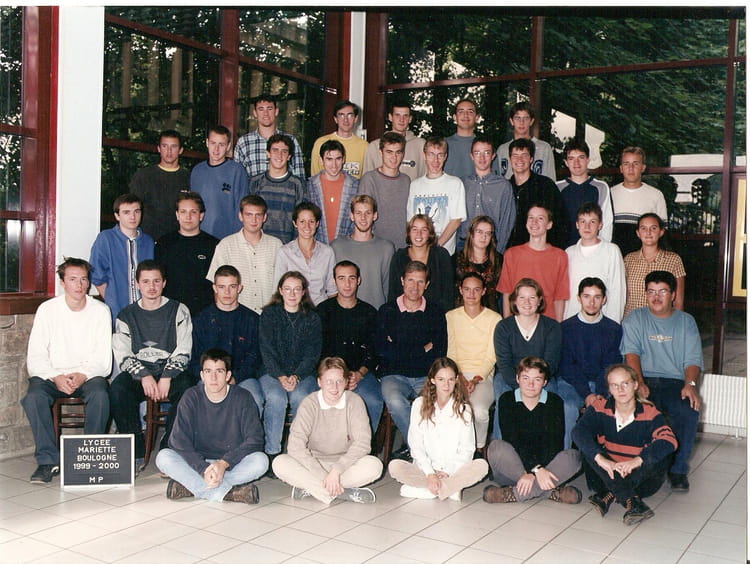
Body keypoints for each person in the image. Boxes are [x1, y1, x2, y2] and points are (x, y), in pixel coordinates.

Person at [21, 258, 112, 484]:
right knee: (33, 397)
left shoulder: (100, 311)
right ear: (62, 282)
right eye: (72, 279)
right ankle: (47, 462)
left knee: (100, 394)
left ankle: (90, 458)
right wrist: (55, 376)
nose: (79, 285)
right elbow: (36, 356)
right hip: (53, 375)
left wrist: (83, 374)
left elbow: (103, 360)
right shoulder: (47, 310)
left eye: (83, 279)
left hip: (87, 375)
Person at [621, 270, 702, 492]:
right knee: (634, 408)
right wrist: (639, 383)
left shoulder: (686, 322)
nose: (656, 297)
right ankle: (635, 465)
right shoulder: (635, 318)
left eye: (663, 292)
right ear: (645, 294)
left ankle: (678, 471)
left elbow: (693, 360)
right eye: (651, 292)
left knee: (688, 409)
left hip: (675, 383)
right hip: (642, 378)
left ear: (673, 295)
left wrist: (690, 385)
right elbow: (631, 355)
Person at [110, 260, 193, 472]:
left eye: (156, 281)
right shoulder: (126, 315)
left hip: (170, 371)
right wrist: (144, 375)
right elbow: (123, 353)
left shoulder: (178, 310)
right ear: (137, 284)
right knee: (118, 388)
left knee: (188, 388)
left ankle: (170, 449)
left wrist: (167, 375)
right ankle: (135, 450)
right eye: (146, 281)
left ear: (164, 283)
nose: (152, 287)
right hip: (141, 371)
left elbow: (184, 348)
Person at [156, 348, 268, 504]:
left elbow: (255, 439)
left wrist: (223, 464)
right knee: (163, 457)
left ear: (228, 375)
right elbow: (178, 440)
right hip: (197, 463)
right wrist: (203, 469)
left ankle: (192, 487)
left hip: (230, 464)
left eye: (219, 371)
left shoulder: (243, 397)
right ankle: (228, 493)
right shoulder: (191, 396)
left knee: (261, 461)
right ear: (202, 375)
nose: (213, 378)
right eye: (208, 371)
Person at [572, 364, 677, 525]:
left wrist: (637, 461)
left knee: (662, 452)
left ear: (635, 385)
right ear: (609, 389)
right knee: (588, 448)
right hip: (605, 474)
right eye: (614, 385)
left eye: (625, 384)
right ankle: (633, 502)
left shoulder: (650, 412)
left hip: (640, 480)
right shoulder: (599, 407)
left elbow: (670, 440)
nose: (620, 390)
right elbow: (578, 432)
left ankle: (609, 494)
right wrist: (601, 459)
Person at [273, 357, 383, 504]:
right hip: (313, 463)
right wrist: (324, 476)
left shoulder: (355, 402)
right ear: (319, 382)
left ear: (346, 382)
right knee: (279, 463)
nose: (334, 387)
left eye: (339, 381)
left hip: (345, 465)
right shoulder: (309, 404)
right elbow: (295, 446)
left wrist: (336, 471)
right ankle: (339, 491)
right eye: (329, 381)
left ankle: (313, 488)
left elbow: (362, 443)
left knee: (374, 466)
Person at [483, 356, 582, 504]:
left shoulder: (554, 402)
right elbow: (512, 440)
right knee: (496, 448)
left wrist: (537, 472)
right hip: (514, 470)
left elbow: (554, 444)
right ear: (517, 379)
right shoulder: (507, 400)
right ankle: (549, 492)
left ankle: (511, 494)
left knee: (574, 457)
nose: (530, 384)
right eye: (525, 378)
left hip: (544, 470)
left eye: (537, 379)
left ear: (545, 382)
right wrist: (534, 470)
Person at [388, 357, 489, 500]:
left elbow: (467, 449)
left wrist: (447, 472)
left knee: (481, 466)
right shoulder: (419, 404)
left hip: (453, 471)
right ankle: (447, 489)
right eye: (441, 379)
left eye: (451, 380)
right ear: (432, 380)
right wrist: (430, 473)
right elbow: (416, 444)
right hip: (425, 470)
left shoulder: (464, 409)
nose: (446, 385)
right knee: (395, 466)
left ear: (456, 380)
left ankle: (431, 489)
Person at [377, 261, 447, 460]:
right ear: (402, 281)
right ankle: (421, 448)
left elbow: (439, 350)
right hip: (393, 375)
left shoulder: (435, 312)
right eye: (410, 280)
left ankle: (417, 449)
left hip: (425, 375)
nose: (414, 287)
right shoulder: (387, 310)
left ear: (427, 284)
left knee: (433, 405)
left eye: (420, 281)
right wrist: (422, 348)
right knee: (394, 400)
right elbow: (382, 350)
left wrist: (398, 347)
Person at [258, 271, 322, 458]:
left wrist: (296, 376)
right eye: (287, 289)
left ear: (303, 292)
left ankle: (297, 452)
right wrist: (280, 376)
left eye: (297, 289)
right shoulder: (269, 314)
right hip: (271, 372)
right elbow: (266, 349)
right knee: (276, 398)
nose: (292, 294)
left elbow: (312, 354)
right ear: (280, 291)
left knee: (301, 397)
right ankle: (272, 452)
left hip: (303, 373)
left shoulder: (312, 318)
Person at [317, 261, 384, 433]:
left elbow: (374, 350)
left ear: (358, 280)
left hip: (360, 373)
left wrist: (360, 373)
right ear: (334, 281)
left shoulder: (369, 312)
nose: (347, 284)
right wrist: (337, 376)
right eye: (341, 278)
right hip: (329, 374)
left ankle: (364, 446)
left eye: (351, 278)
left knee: (373, 400)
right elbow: (317, 350)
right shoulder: (323, 311)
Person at [558, 277, 623, 449]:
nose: (592, 302)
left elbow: (610, 366)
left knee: (613, 406)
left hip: (602, 384)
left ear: (604, 299)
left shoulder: (613, 329)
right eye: (586, 296)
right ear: (578, 298)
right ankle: (565, 455)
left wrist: (599, 394)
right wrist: (587, 394)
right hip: (571, 383)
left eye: (597, 297)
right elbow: (567, 366)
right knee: (568, 407)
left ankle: (605, 456)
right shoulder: (565, 328)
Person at [190, 265, 263, 413]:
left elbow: (255, 357)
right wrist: (213, 377)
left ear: (239, 288)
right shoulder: (201, 319)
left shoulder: (252, 319)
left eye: (232, 286)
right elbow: (194, 358)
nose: (227, 292)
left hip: (242, 378)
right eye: (222, 287)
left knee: (255, 399)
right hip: (210, 378)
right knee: (202, 400)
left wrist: (234, 377)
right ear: (214, 288)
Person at [493, 278, 562, 423]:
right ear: (514, 300)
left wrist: (534, 383)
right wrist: (522, 386)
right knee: (504, 402)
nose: (527, 303)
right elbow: (504, 364)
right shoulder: (503, 327)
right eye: (522, 298)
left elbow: (551, 364)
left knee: (552, 405)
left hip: (541, 379)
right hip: (510, 377)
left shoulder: (552, 327)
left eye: (532, 298)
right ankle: (501, 438)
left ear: (539, 301)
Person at [446, 273, 502, 449]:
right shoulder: (450, 317)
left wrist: (475, 380)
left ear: (483, 291)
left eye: (476, 290)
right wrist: (461, 378)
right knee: (449, 409)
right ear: (460, 290)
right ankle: (453, 449)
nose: (471, 294)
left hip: (483, 376)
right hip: (456, 375)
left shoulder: (494, 318)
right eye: (467, 289)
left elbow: (491, 356)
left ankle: (478, 447)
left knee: (479, 411)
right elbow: (451, 352)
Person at [206, 194, 283, 315]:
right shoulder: (226, 246)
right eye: (248, 215)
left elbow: (283, 285)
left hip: (270, 316)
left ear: (264, 217)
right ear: (240, 216)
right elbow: (217, 288)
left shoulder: (276, 245)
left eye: (258, 215)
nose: (254, 220)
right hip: (237, 317)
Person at [89, 193, 155, 324]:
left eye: (136, 211)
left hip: (145, 313)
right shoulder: (106, 239)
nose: (132, 217)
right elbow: (96, 275)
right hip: (117, 312)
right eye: (126, 212)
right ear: (117, 215)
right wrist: (112, 300)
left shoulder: (148, 242)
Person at [497, 205, 569, 321]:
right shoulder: (511, 254)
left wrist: (558, 326)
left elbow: (559, 297)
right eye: (531, 218)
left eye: (540, 218)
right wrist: (508, 324)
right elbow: (507, 293)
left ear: (549, 224)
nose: (534, 222)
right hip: (519, 322)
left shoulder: (560, 256)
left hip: (547, 322)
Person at [154, 192, 218, 315]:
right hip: (171, 312)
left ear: (201, 215)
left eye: (193, 212)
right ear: (177, 215)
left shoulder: (213, 245)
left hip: (204, 313)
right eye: (183, 212)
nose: (188, 217)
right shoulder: (164, 243)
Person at [563, 202, 625, 322]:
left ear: (600, 225)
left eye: (592, 222)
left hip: (602, 321)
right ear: (577, 224)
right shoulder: (569, 252)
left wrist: (612, 325)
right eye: (583, 221)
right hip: (572, 319)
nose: (587, 226)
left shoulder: (611, 251)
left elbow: (617, 292)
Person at [331, 194, 395, 309]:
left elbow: (388, 287)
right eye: (358, 213)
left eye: (368, 213)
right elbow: (331, 287)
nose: (363, 218)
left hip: (376, 312)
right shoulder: (336, 247)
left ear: (375, 215)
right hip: (344, 312)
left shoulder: (387, 248)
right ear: (352, 216)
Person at [407, 136, 467, 255]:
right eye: (431, 154)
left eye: (440, 155)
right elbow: (410, 220)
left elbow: (456, 220)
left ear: (445, 157)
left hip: (443, 252)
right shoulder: (415, 185)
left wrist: (436, 245)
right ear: (424, 155)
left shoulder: (455, 183)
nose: (436, 160)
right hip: (419, 251)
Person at [505, 138, 567, 249]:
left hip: (539, 251)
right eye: (515, 155)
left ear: (531, 159)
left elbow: (560, 221)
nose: (519, 159)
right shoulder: (505, 188)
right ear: (510, 159)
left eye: (524, 155)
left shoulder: (546, 186)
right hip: (511, 252)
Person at [129, 129, 191, 240]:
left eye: (173, 146)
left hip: (178, 240)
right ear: (159, 148)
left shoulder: (189, 178)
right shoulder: (143, 176)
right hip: (148, 239)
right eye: (164, 146)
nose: (169, 151)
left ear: (180, 150)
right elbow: (132, 209)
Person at [190, 125, 249, 240]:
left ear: (228, 146)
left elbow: (243, 208)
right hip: (199, 237)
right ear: (207, 143)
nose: (216, 149)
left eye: (221, 145)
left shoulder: (237, 171)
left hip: (227, 238)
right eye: (213, 143)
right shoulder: (197, 170)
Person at [458, 137, 515, 254]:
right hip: (463, 245)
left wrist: (497, 252)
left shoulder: (503, 186)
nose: (482, 158)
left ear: (493, 155)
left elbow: (507, 222)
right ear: (471, 156)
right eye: (477, 153)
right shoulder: (462, 183)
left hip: (491, 246)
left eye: (486, 153)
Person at [248, 133, 308, 244]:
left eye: (284, 151)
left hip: (287, 247)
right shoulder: (255, 182)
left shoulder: (298, 185)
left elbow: (302, 220)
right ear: (268, 153)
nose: (279, 155)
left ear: (289, 156)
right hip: (259, 246)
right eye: (275, 150)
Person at [274, 202, 336, 306]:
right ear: (295, 223)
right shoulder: (285, 252)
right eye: (302, 221)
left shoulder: (327, 252)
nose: (307, 226)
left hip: (321, 309)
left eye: (311, 221)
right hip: (294, 310)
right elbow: (278, 289)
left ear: (317, 223)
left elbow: (332, 290)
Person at [388, 214, 453, 313]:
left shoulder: (441, 255)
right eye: (414, 229)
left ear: (430, 234)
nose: (419, 234)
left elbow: (448, 293)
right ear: (409, 233)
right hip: (405, 315)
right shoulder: (399, 257)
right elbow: (393, 293)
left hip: (435, 315)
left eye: (424, 230)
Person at [623, 213, 686, 316]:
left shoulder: (674, 260)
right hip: (633, 321)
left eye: (653, 228)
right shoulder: (628, 260)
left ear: (661, 232)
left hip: (662, 321)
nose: (648, 232)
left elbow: (678, 303)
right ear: (638, 233)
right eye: (643, 228)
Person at [611, 146, 668, 256]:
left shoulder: (656, 195)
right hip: (615, 257)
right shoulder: (610, 194)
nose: (631, 168)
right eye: (626, 164)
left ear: (643, 168)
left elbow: (662, 234)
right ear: (621, 168)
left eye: (635, 164)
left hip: (645, 259)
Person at [556, 138, 614, 246]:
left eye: (581, 157)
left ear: (588, 160)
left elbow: (606, 223)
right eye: (571, 158)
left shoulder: (601, 187)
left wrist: (601, 249)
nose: (576, 163)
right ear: (566, 162)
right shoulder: (557, 188)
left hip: (592, 249)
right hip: (564, 250)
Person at [359, 131, 412, 249]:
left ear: (403, 154)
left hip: (403, 246)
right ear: (380, 153)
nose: (394, 157)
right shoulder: (369, 179)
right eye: (389, 152)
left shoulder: (406, 180)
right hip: (377, 247)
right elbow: (363, 216)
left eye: (398, 152)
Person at [234, 94, 305, 179]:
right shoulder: (244, 142)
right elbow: (236, 178)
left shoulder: (291, 140)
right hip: (253, 188)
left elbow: (300, 177)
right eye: (261, 109)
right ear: (255, 113)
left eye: (269, 109)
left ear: (276, 111)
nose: (266, 113)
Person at [308, 139, 359, 244]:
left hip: (346, 246)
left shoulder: (356, 185)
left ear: (343, 159)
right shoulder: (310, 185)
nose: (334, 165)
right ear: (321, 160)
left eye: (338, 159)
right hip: (317, 246)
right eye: (329, 159)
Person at [362, 101, 426, 181]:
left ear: (410, 119)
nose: (401, 120)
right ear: (390, 117)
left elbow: (427, 177)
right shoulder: (374, 146)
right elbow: (367, 180)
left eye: (405, 116)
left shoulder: (421, 145)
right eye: (397, 115)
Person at [495, 101, 556, 182]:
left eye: (526, 118)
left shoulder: (544, 148)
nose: (521, 122)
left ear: (531, 121)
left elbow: (551, 181)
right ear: (511, 121)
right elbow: (496, 181)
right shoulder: (502, 150)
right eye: (518, 118)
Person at [453, 215, 502, 311]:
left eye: (488, 233)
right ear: (471, 233)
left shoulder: (499, 260)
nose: (484, 237)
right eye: (479, 232)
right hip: (462, 312)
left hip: (490, 312)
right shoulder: (455, 260)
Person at [310, 100, 368, 179]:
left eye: (350, 115)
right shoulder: (321, 143)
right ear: (335, 119)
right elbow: (315, 176)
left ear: (355, 118)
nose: (346, 120)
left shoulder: (364, 146)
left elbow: (367, 178)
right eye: (341, 115)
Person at [444, 99, 479, 178]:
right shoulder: (443, 145)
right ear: (455, 117)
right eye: (461, 111)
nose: (465, 115)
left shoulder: (485, 147)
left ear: (476, 117)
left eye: (470, 112)